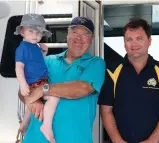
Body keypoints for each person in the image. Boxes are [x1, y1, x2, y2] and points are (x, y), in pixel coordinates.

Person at [18, 16, 106, 143]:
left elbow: (82, 88)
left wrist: (43, 90)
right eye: (74, 32)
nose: (78, 38)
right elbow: (23, 90)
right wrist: (34, 101)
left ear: (91, 39)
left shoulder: (95, 63)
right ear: (68, 34)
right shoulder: (47, 61)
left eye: (85, 34)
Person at [98, 18, 159, 143]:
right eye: (129, 39)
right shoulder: (111, 71)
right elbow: (106, 110)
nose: (134, 44)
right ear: (124, 43)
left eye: (139, 38)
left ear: (149, 41)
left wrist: (152, 141)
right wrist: (117, 140)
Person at [14, 14, 58, 143]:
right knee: (54, 97)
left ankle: (24, 125)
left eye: (38, 32)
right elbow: (19, 67)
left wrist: (43, 53)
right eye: (31, 31)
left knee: (32, 103)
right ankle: (46, 126)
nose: (35, 35)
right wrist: (23, 84)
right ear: (22, 32)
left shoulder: (36, 47)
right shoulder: (22, 48)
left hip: (40, 82)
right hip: (34, 84)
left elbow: (37, 63)